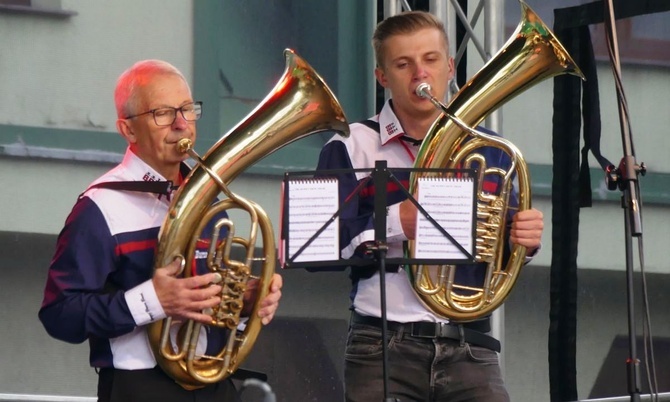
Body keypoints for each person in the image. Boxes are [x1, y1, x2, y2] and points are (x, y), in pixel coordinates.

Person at [315, 11, 544, 402]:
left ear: (450, 66)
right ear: (382, 77)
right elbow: (319, 247)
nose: (420, 74)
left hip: (471, 344)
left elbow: (496, 249)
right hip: (382, 343)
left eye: (431, 60)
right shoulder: (351, 144)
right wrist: (396, 221)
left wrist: (521, 239)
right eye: (403, 64)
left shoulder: (490, 148)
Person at [38, 59, 283, 402]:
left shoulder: (205, 197)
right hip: (138, 387)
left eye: (187, 109)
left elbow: (204, 298)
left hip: (213, 383)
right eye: (162, 113)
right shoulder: (99, 207)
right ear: (128, 130)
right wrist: (152, 301)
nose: (182, 125)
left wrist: (242, 302)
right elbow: (60, 315)